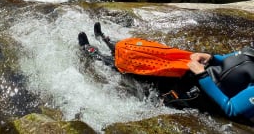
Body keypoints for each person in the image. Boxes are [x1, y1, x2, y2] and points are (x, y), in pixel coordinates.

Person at [78, 22, 254, 123]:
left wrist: (203, 76)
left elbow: (231, 109)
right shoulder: (250, 50)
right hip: (192, 73)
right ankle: (112, 45)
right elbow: (228, 59)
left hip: (195, 93)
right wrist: (211, 57)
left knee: (138, 75)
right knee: (151, 55)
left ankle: (96, 54)